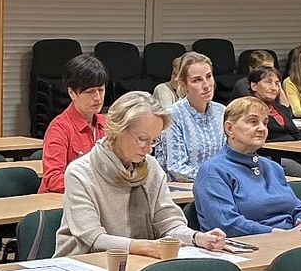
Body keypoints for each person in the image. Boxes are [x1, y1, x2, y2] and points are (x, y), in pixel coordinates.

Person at [54, 91, 226, 258]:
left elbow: (169, 223)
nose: (149, 149)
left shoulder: (151, 168)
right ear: (117, 130)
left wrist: (197, 238)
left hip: (137, 261)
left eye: (154, 141)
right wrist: (144, 247)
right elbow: (93, 238)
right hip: (85, 263)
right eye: (143, 139)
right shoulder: (80, 172)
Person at [194, 97, 301, 236]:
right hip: (250, 242)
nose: (262, 128)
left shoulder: (273, 167)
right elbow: (226, 224)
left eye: (265, 123)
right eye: (253, 122)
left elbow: (296, 207)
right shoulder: (213, 170)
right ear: (229, 128)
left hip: (291, 236)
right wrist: (279, 234)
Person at [39, 53, 107, 194]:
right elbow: (53, 179)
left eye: (101, 90)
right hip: (61, 200)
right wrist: (95, 184)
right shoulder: (59, 129)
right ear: (72, 93)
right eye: (90, 92)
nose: (98, 98)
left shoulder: (107, 124)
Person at [154, 51, 225, 182]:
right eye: (197, 80)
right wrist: (216, 177)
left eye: (209, 76)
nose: (206, 85)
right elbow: (176, 168)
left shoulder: (221, 111)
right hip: (181, 188)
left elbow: (227, 157)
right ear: (184, 85)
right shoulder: (173, 115)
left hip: (219, 184)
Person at [248, 65, 301, 178]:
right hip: (270, 156)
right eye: (268, 82)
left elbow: (296, 133)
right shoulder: (249, 109)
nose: (274, 88)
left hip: (295, 154)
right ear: (254, 85)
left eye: (277, 84)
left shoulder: (281, 109)